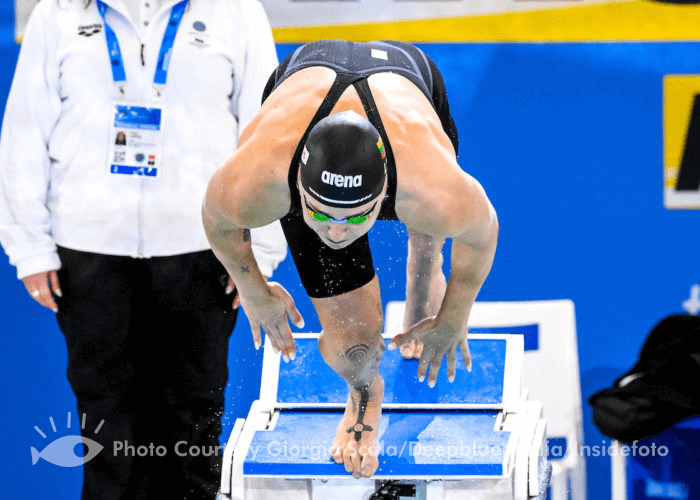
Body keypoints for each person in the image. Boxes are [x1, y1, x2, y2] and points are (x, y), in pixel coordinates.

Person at [0, 0, 286, 498]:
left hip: (204, 249)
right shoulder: (59, 14)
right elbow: (25, 129)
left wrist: (258, 252)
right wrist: (30, 246)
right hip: (88, 251)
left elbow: (265, 135)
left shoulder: (235, 12)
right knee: (104, 421)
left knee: (193, 421)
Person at [202, 40, 499, 479]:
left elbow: (481, 235)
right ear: (297, 189)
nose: (336, 231)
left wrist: (453, 319)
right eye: (319, 211)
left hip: (408, 80)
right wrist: (254, 291)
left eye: (356, 216)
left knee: (430, 238)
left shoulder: (430, 185)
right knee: (354, 347)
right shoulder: (260, 178)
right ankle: (365, 392)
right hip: (303, 77)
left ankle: (423, 272)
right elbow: (216, 222)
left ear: (385, 196)